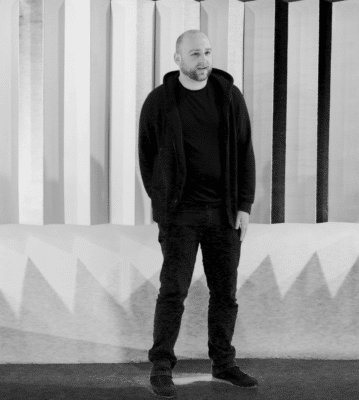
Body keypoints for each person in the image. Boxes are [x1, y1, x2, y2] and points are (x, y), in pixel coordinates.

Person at [138, 30, 258, 398]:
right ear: (178, 59)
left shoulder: (229, 96)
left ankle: (223, 362)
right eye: (194, 54)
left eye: (207, 52)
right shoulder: (159, 101)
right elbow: (147, 154)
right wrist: (162, 205)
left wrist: (244, 205)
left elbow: (245, 149)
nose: (203, 60)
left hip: (224, 213)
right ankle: (161, 365)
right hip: (180, 215)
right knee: (173, 291)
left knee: (225, 292)